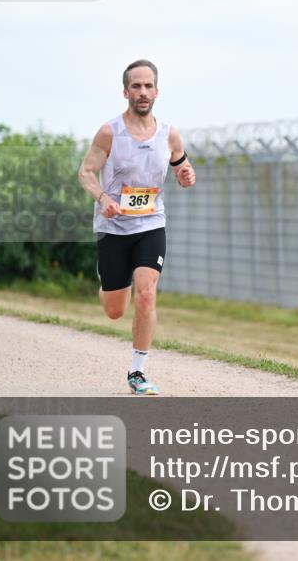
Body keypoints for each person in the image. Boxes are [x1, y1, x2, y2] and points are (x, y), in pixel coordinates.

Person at [78, 59, 196, 395]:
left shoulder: (168, 134)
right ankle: (110, 284)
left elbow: (181, 166)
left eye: (148, 86)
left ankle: (138, 372)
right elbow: (85, 172)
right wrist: (103, 198)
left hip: (150, 224)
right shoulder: (109, 132)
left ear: (157, 91)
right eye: (136, 86)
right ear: (125, 91)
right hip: (113, 227)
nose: (142, 92)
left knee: (146, 294)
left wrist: (187, 174)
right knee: (116, 310)